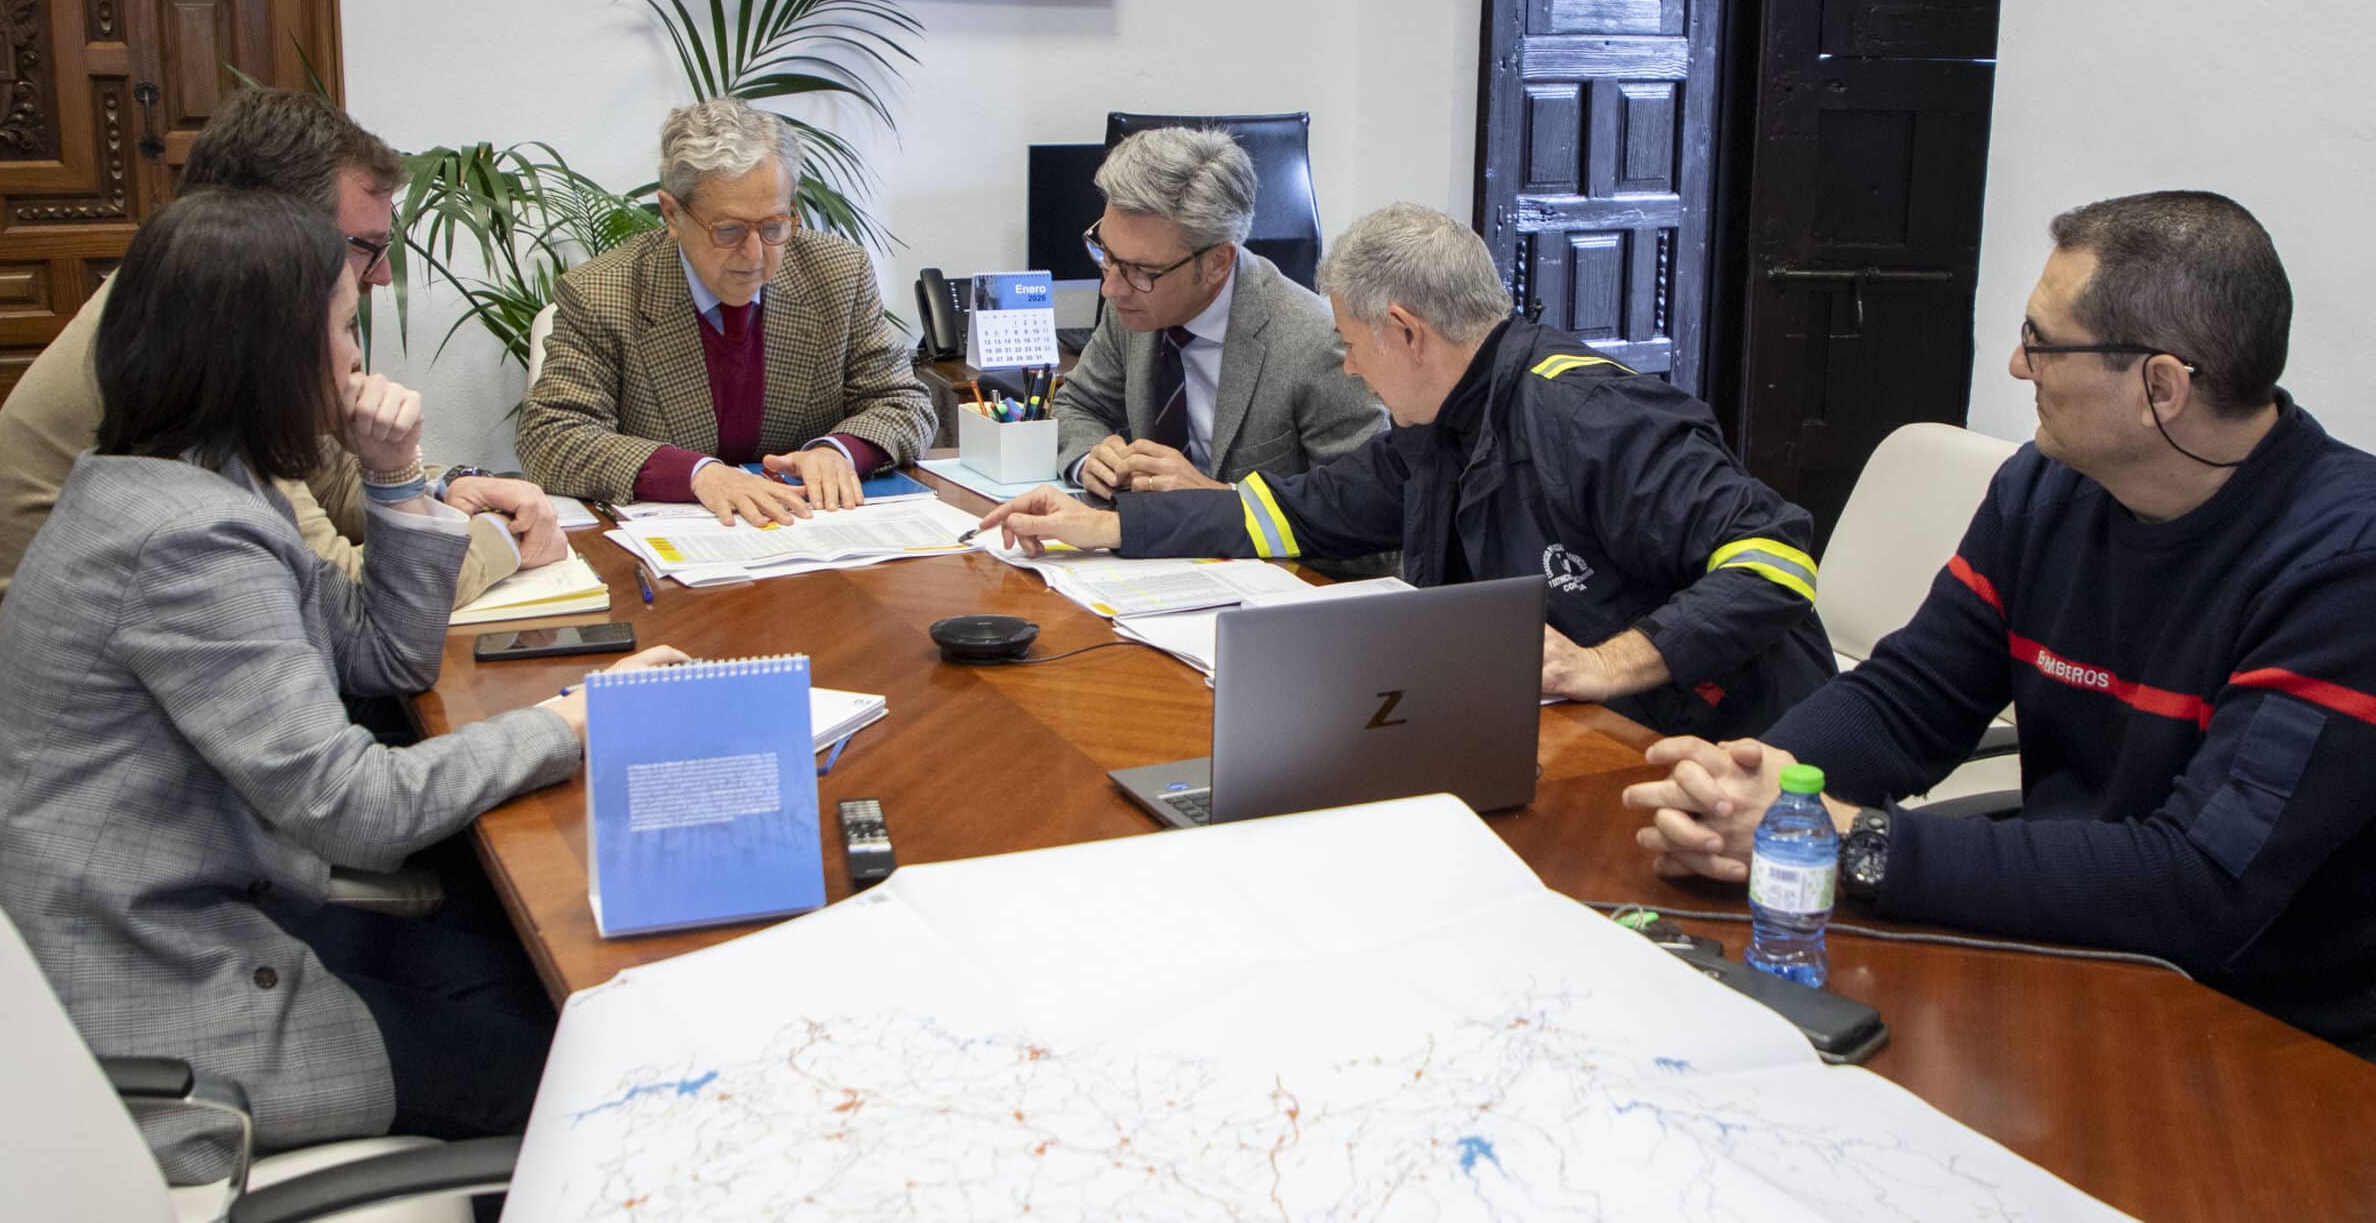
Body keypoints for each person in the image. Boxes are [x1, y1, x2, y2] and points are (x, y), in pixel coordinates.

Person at [0, 188, 685, 1182]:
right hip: (157, 999)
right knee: (594, 1069)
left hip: (188, 920)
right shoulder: (185, 543)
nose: (357, 361)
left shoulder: (187, 477)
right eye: (343, 329)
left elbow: (381, 655)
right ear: (267, 355)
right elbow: (357, 808)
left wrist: (393, 478)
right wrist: (572, 719)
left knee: (516, 955)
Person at [1624, 191, 2376, 1059]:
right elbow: (1913, 697)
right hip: (2073, 955)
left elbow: (2202, 885)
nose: (2020, 367)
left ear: (2161, 388)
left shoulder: (2343, 570)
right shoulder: (2047, 488)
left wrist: (1853, 842)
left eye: (2042, 342)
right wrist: (1749, 787)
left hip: (2267, 1033)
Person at [984, 203, 1835, 738]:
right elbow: (1296, 512)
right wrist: (1107, 526)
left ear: (1407, 332)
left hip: (1732, 744)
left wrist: (1608, 663)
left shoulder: (1592, 416)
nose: (1351, 369)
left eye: (1353, 345)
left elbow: (1777, 558)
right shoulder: (1443, 422)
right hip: (1556, 727)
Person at [0, 87, 562, 656]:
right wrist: (499, 541)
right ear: (269, 235)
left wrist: (441, 488)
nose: (381, 275)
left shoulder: (190, 308)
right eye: (364, 248)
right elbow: (348, 609)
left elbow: (326, 480)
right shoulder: (188, 350)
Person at [517, 101, 935, 526]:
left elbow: (903, 403)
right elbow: (551, 437)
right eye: (729, 230)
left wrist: (839, 451)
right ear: (673, 214)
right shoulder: (603, 294)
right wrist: (698, 475)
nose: (754, 254)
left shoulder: (837, 273)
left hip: (810, 531)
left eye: (773, 226)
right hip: (676, 542)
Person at [1056, 127, 1384, 506]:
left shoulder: (1317, 344)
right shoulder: (1133, 303)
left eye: (1141, 270)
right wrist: (1091, 458)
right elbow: (1076, 405)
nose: (1111, 288)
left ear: (1216, 263)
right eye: (1106, 254)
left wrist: (1220, 503)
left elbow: (1366, 509)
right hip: (1142, 535)